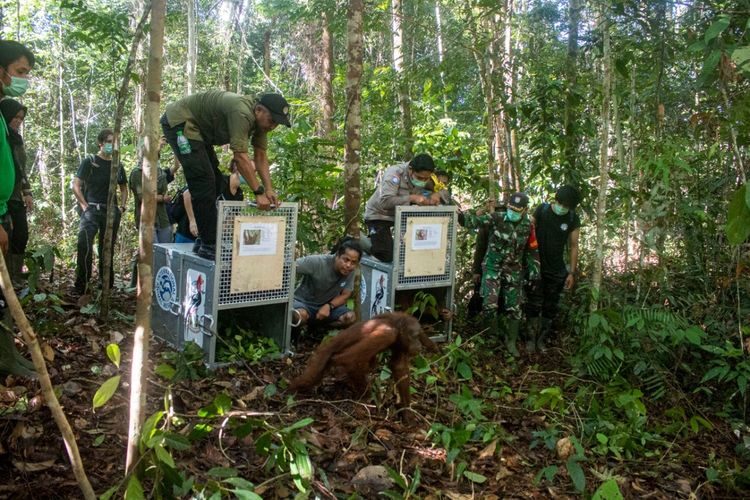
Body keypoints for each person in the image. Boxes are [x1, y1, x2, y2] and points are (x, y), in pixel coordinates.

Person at [161, 91, 292, 260]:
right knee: (203, 180)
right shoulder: (242, 112)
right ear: (258, 110)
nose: (273, 126)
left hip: (200, 133)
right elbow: (240, 157)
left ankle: (204, 239)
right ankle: (209, 244)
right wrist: (258, 192)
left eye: (277, 123)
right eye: (272, 121)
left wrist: (269, 189)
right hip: (180, 122)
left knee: (215, 181)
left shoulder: (260, 124)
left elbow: (260, 156)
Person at [459, 192, 540, 357]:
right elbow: (473, 221)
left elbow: (532, 250)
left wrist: (534, 272)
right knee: (489, 305)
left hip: (513, 270)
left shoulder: (528, 226)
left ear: (525, 210)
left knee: (514, 308)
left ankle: (511, 342)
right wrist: (460, 214)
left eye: (517, 209)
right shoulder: (497, 218)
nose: (513, 211)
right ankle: (492, 338)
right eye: (511, 208)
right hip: (492, 267)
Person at [0, 40, 35, 378]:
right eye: (19, 71)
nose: (21, 79)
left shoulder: (9, 128)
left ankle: (8, 353)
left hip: (8, 210)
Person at [72, 129, 128, 295]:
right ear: (101, 143)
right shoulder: (90, 161)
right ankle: (82, 285)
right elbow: (76, 184)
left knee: (107, 247)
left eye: (115, 142)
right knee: (84, 244)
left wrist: (122, 207)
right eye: (109, 141)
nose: (112, 145)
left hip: (111, 211)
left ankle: (106, 285)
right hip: (91, 210)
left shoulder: (117, 165)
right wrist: (84, 206)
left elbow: (124, 188)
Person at [525, 185, 581, 352]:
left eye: (567, 206)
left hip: (557, 269)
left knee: (550, 305)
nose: (562, 208)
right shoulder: (542, 210)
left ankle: (541, 340)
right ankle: (530, 339)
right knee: (533, 303)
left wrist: (571, 272)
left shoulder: (572, 219)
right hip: (536, 266)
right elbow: (527, 231)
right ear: (555, 200)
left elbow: (574, 246)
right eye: (561, 203)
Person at [364, 153, 444, 262]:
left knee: (412, 251)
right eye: (419, 178)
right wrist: (412, 198)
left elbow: (444, 191)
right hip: (379, 215)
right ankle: (356, 240)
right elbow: (385, 202)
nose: (423, 181)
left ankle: (378, 241)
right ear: (410, 169)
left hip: (403, 216)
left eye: (426, 179)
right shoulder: (395, 174)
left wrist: (437, 194)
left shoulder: (429, 177)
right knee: (385, 255)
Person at [291, 239, 362, 332]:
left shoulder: (349, 271)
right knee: (300, 316)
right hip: (303, 303)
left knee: (350, 318)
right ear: (337, 255)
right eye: (346, 260)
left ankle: (319, 329)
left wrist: (329, 306)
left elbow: (346, 294)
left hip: (327, 307)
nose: (349, 265)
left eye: (353, 262)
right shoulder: (317, 262)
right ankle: (294, 336)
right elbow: (289, 267)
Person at [173, 160, 245, 244]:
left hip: (208, 239)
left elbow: (230, 219)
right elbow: (187, 194)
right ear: (237, 169)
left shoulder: (239, 195)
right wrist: (192, 221)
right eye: (251, 171)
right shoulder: (217, 180)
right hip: (188, 233)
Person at [0, 99, 32, 286]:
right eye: (15, 117)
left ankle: (15, 276)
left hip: (15, 196)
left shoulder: (16, 140)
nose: (18, 121)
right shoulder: (4, 137)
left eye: (21, 118)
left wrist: (27, 191)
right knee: (6, 237)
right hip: (3, 197)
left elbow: (21, 169)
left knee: (21, 234)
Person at [129, 138, 177, 245]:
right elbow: (144, 198)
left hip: (163, 220)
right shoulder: (137, 173)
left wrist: (175, 147)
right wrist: (162, 198)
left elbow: (175, 167)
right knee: (152, 255)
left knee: (166, 252)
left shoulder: (160, 172)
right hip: (147, 221)